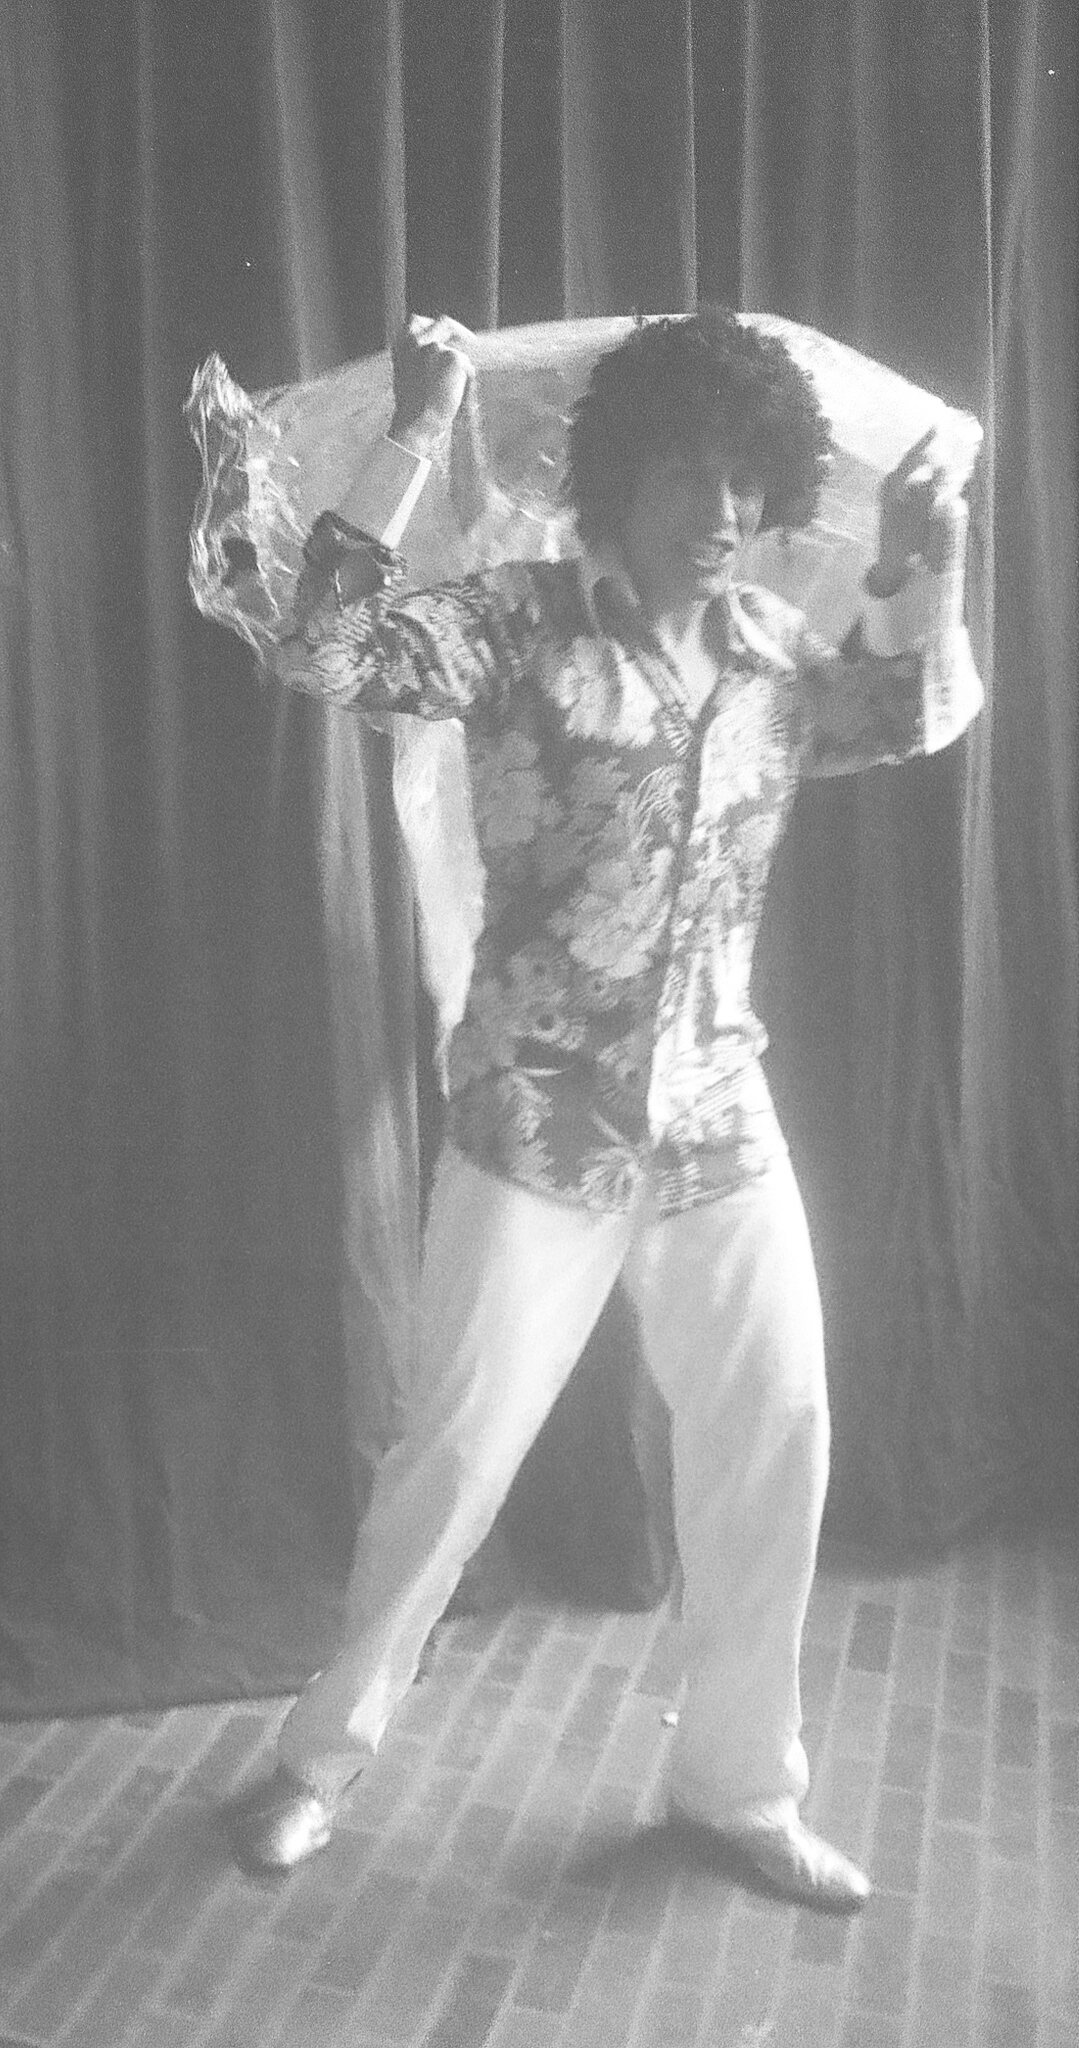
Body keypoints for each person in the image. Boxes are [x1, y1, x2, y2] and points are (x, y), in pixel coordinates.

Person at [222, 306, 981, 1910]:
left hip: (716, 1117)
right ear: (617, 480)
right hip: (538, 1121)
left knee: (777, 1430)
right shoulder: (516, 625)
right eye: (689, 476)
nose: (723, 513)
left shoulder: (773, 656)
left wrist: (928, 562)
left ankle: (736, 1789)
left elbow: (911, 711)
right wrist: (417, 432)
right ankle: (316, 1762)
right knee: (454, 1457)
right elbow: (320, 649)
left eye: (746, 483)